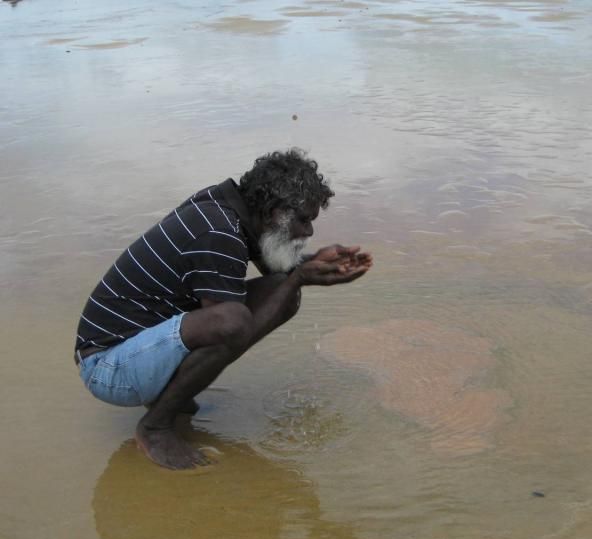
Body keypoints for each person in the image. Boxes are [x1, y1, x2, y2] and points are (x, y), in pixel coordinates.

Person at [74, 149, 372, 470]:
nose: (308, 231)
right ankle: (155, 427)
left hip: (136, 348)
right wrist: (298, 277)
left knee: (279, 291)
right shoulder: (217, 231)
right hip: (108, 368)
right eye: (303, 220)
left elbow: (276, 272)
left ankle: (165, 396)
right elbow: (231, 327)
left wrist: (311, 264)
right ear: (274, 212)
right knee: (233, 319)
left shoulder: (228, 209)